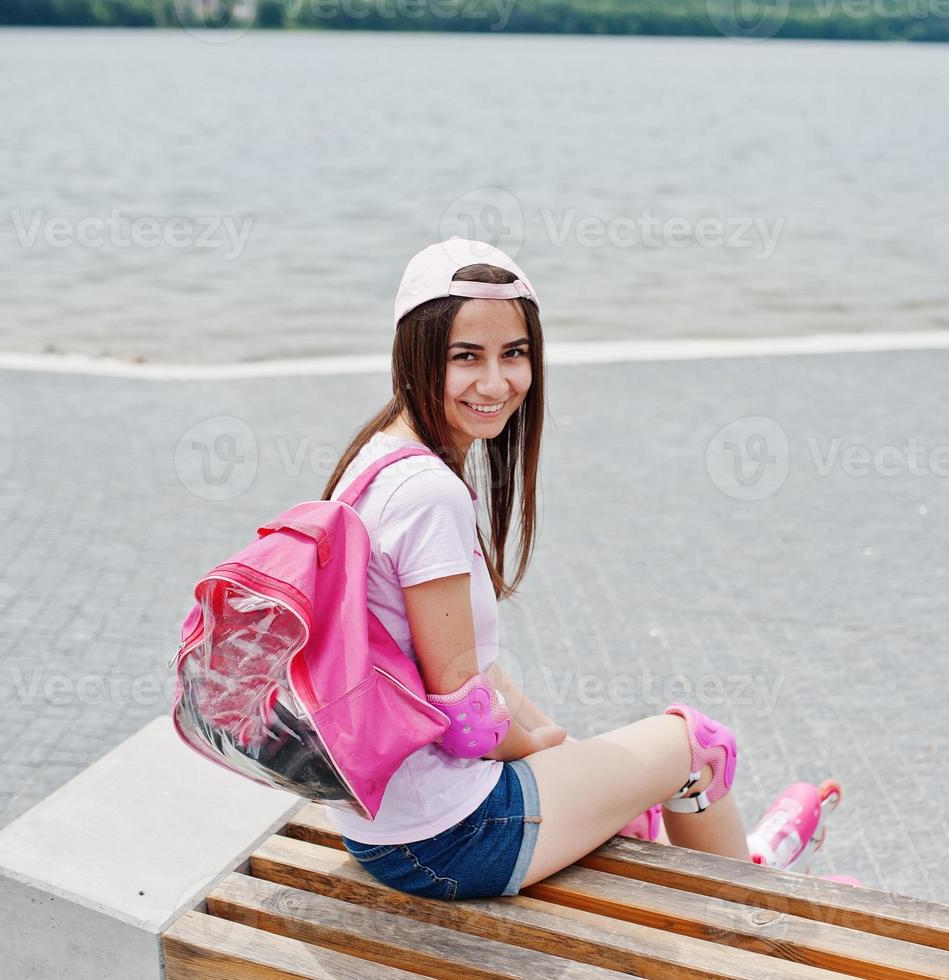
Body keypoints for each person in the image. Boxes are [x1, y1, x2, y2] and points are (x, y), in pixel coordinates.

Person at [319, 236, 820, 901]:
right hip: (452, 841)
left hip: (383, 827)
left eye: (514, 355)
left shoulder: (374, 458)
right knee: (698, 743)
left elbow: (462, 666)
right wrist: (540, 747)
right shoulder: (427, 495)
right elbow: (466, 718)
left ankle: (720, 858)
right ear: (414, 356)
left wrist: (559, 747)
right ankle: (755, 905)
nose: (495, 384)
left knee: (624, 791)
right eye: (464, 357)